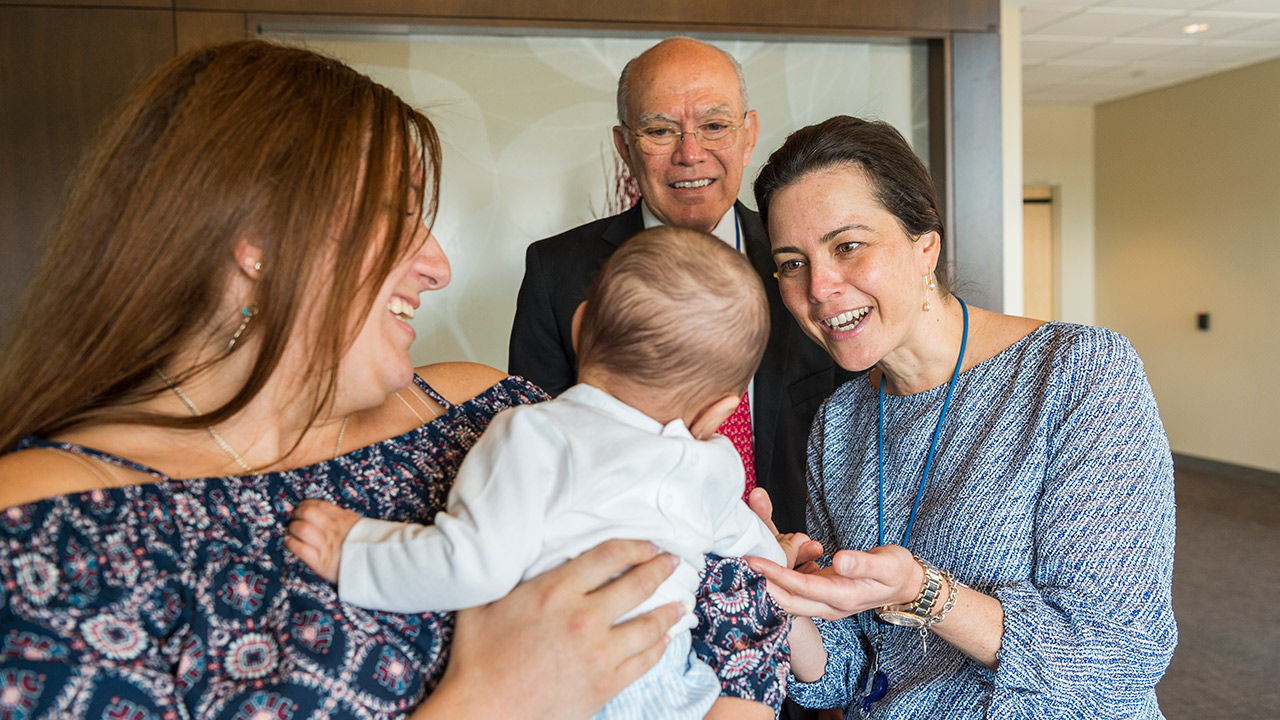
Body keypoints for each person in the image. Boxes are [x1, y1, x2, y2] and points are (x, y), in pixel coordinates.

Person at [0, 40, 788, 719]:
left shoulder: (480, 406)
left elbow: (749, 629)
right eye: (398, 213)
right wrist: (492, 700)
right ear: (257, 241)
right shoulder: (50, 530)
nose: (438, 265)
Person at [744, 115, 1178, 717]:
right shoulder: (839, 422)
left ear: (925, 247)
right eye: (793, 263)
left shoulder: (1076, 373)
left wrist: (926, 594)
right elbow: (855, 668)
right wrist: (782, 597)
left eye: (848, 246)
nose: (819, 287)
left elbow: (1120, 656)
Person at [288, 226, 787, 720]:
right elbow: (749, 544)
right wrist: (780, 559)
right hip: (672, 684)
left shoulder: (535, 433)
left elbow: (470, 566)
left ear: (579, 326)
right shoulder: (714, 463)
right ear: (719, 412)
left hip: (582, 696)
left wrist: (355, 551)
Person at [508, 36, 853, 538]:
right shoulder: (556, 271)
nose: (691, 154)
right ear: (624, 145)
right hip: (628, 563)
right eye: (660, 130)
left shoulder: (809, 265)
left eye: (714, 126)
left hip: (804, 562)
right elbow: (537, 453)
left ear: (748, 133)